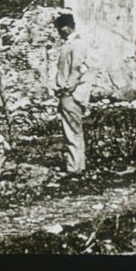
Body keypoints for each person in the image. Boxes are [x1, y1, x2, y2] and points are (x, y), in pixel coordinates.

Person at [52, 14, 92, 175]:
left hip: (71, 95)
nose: (58, 33)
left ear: (65, 28)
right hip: (67, 94)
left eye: (59, 30)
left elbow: (77, 69)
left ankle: (74, 168)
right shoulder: (71, 44)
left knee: (72, 131)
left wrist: (67, 89)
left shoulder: (77, 45)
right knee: (71, 131)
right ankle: (76, 165)